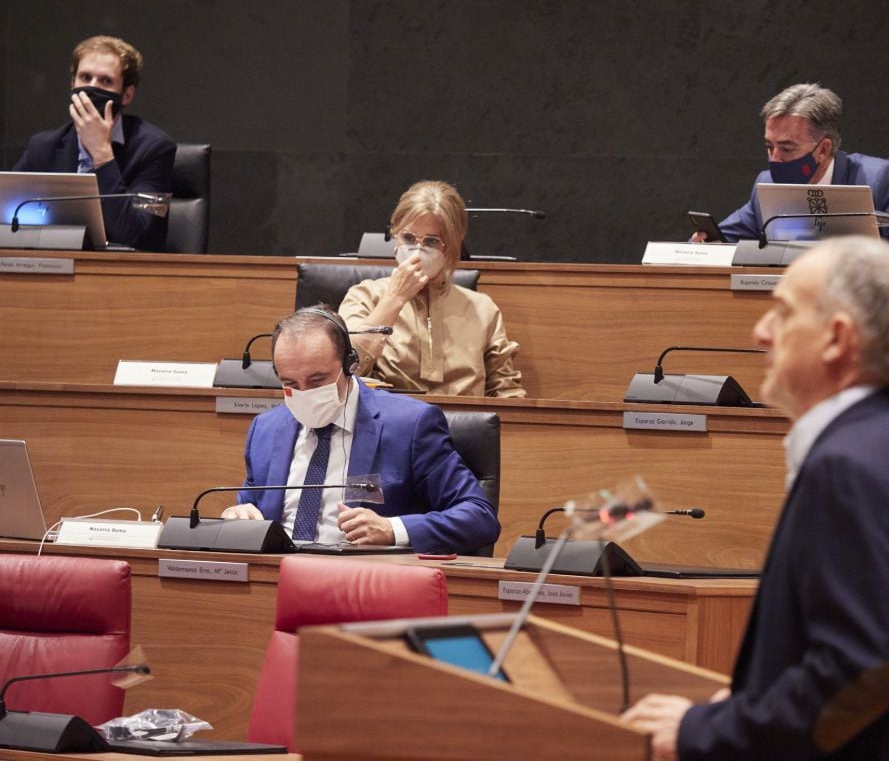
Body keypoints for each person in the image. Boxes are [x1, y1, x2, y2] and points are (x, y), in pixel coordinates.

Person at [621, 237, 889, 759]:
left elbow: (861, 670)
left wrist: (710, 730)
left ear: (835, 338)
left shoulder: (846, 471)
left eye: (782, 313)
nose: (760, 333)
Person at [221, 305, 500, 555]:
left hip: (365, 584)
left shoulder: (410, 425)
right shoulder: (266, 429)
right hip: (276, 582)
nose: (304, 393)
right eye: (290, 383)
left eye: (317, 380)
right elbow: (251, 513)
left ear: (349, 364)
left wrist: (393, 530)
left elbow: (479, 518)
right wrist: (238, 518)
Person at [700, 83, 889, 269]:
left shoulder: (881, 180)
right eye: (768, 146)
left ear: (824, 149)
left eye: (786, 148)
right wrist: (705, 246)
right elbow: (721, 243)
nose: (774, 158)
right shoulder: (767, 185)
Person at [338, 180, 525, 397]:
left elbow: (505, 392)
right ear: (395, 235)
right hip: (392, 423)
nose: (417, 251)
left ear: (452, 246)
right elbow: (346, 370)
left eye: (432, 241)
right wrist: (395, 298)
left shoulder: (483, 309)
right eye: (407, 237)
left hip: (464, 427)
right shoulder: (365, 296)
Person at [13, 35, 176, 251]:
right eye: (85, 77)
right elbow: (8, 219)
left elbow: (138, 236)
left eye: (105, 81)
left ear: (127, 95)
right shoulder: (43, 147)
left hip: (122, 274)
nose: (91, 88)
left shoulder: (155, 149)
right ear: (72, 84)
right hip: (53, 268)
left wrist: (102, 154)